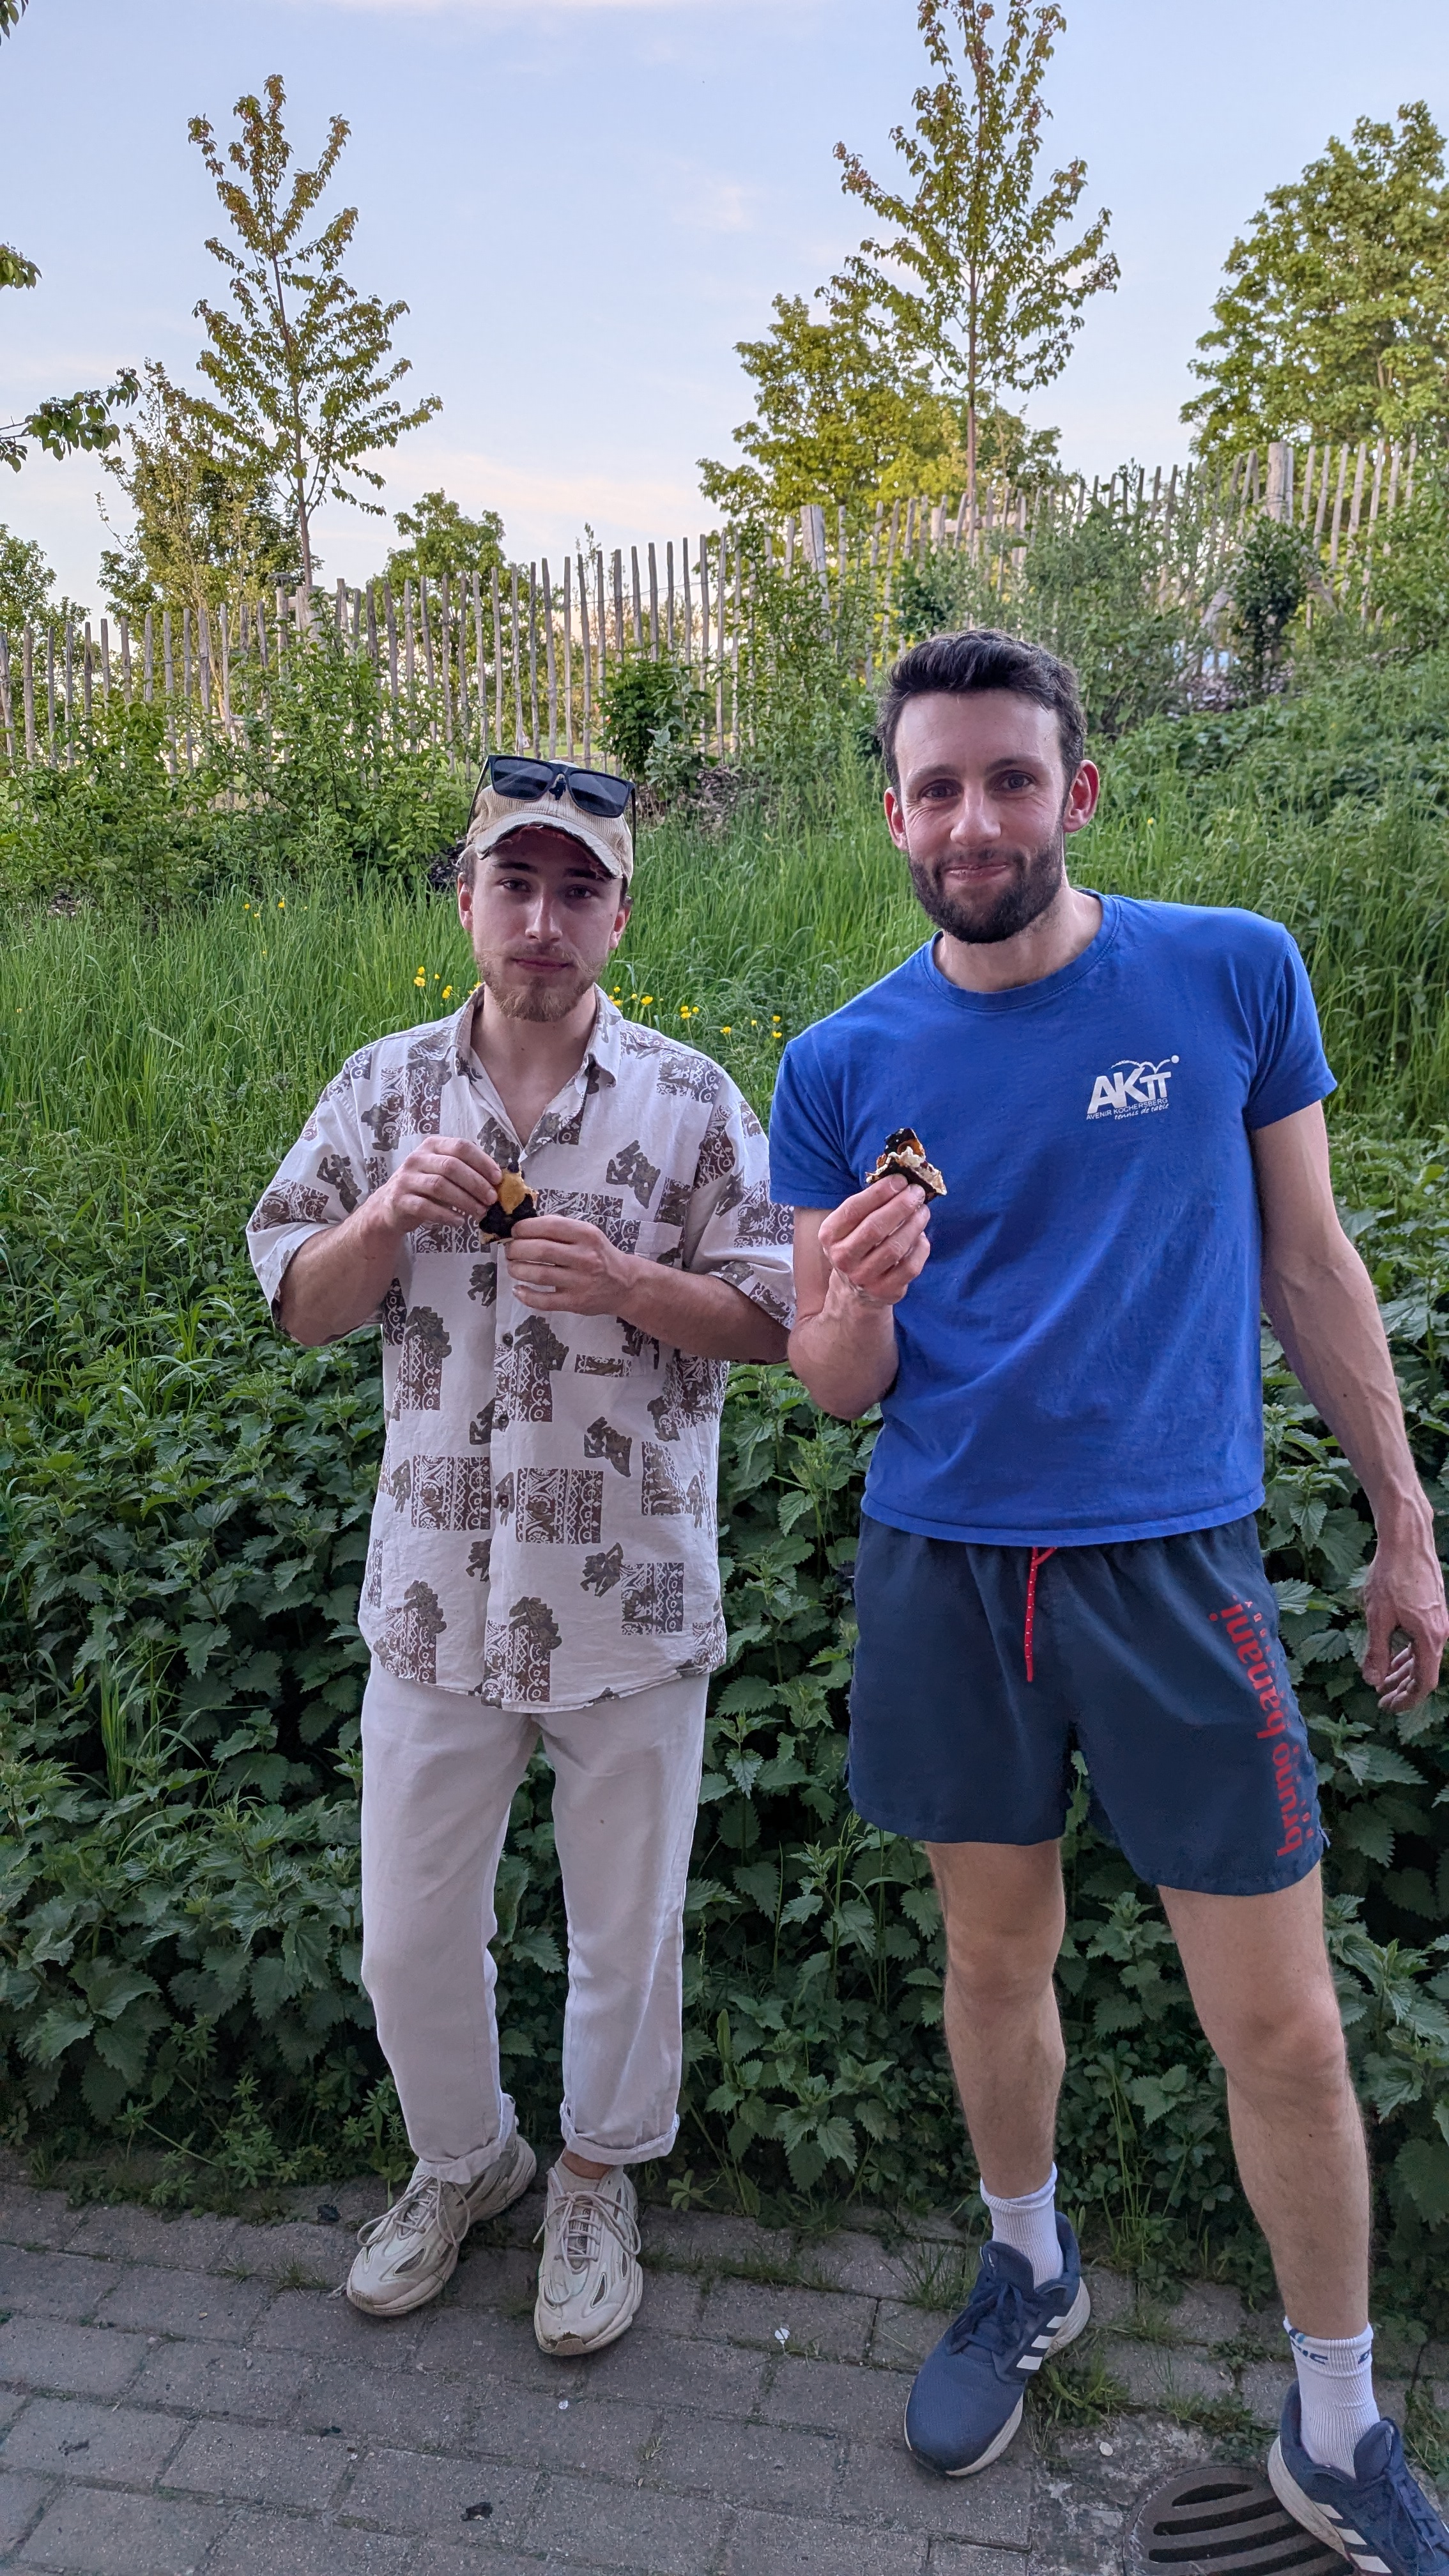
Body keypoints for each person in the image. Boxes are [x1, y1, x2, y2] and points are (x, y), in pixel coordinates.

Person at [768, 630, 1449, 2572]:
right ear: (889, 813)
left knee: (1288, 2032)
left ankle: (1334, 2426)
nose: (971, 819)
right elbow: (833, 1384)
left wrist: (1400, 1517)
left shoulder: (1230, 970)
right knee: (993, 1965)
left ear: (1078, 790)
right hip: (947, 1570)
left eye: (1007, 778)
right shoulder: (839, 1066)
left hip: (1172, 1569)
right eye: (934, 788)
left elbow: (1310, 1269)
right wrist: (856, 1303)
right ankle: (1026, 2269)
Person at [247, 756, 792, 2356]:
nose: (543, 920)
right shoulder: (381, 1090)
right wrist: (380, 1226)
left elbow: (775, 1323)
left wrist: (627, 1280)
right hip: (434, 1593)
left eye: (577, 890)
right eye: (515, 883)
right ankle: (464, 2158)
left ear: (620, 912)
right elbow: (300, 1303)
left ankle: (596, 2178)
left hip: (626, 1590)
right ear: (466, 898)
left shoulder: (691, 1099)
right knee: (410, 1928)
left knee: (630, 1924)